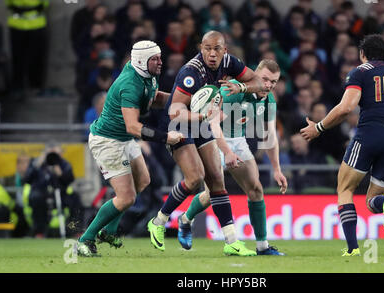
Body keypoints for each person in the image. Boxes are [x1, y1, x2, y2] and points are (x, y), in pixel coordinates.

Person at [148, 30, 266, 256]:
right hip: (179, 125)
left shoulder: (230, 63)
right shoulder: (190, 72)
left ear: (225, 50)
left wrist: (241, 87)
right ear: (201, 48)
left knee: (216, 180)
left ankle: (231, 241)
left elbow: (258, 82)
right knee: (194, 179)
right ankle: (158, 221)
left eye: (217, 49)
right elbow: (175, 111)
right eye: (207, 48)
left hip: (202, 122)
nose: (212, 54)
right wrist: (205, 116)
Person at [300, 34, 384, 256]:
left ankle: (353, 249)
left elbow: (346, 107)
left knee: (345, 189)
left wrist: (319, 128)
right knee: (373, 202)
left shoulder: (360, 72)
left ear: (363, 55)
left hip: (369, 134)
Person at [75, 40, 183, 257]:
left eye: (160, 57)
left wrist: (181, 101)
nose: (160, 62)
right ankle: (85, 239)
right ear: (143, 61)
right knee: (126, 198)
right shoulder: (130, 83)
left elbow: (154, 98)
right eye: (155, 59)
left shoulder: (146, 74)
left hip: (122, 138)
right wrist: (166, 137)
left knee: (143, 181)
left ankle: (109, 230)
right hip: (108, 141)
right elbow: (133, 126)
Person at [176, 59, 288, 255]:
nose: (268, 85)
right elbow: (212, 123)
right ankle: (185, 219)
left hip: (238, 139)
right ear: (254, 75)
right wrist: (227, 151)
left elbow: (270, 136)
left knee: (255, 189)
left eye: (274, 82)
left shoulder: (269, 101)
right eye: (264, 79)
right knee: (213, 194)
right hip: (211, 139)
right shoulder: (232, 91)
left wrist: (277, 169)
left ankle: (262, 246)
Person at [24, 142, 80, 238]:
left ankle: (73, 230)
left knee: (75, 199)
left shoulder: (64, 164)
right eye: (50, 154)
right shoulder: (36, 163)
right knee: (36, 198)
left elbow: (70, 179)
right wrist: (37, 165)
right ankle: (39, 232)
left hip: (60, 193)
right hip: (41, 193)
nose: (52, 157)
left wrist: (60, 173)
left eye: (55, 154)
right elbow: (27, 179)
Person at [6, 0, 49, 98]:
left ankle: (34, 86)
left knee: (35, 58)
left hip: (36, 24)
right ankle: (18, 87)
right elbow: (8, 1)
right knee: (17, 59)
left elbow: (45, 2)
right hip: (18, 24)